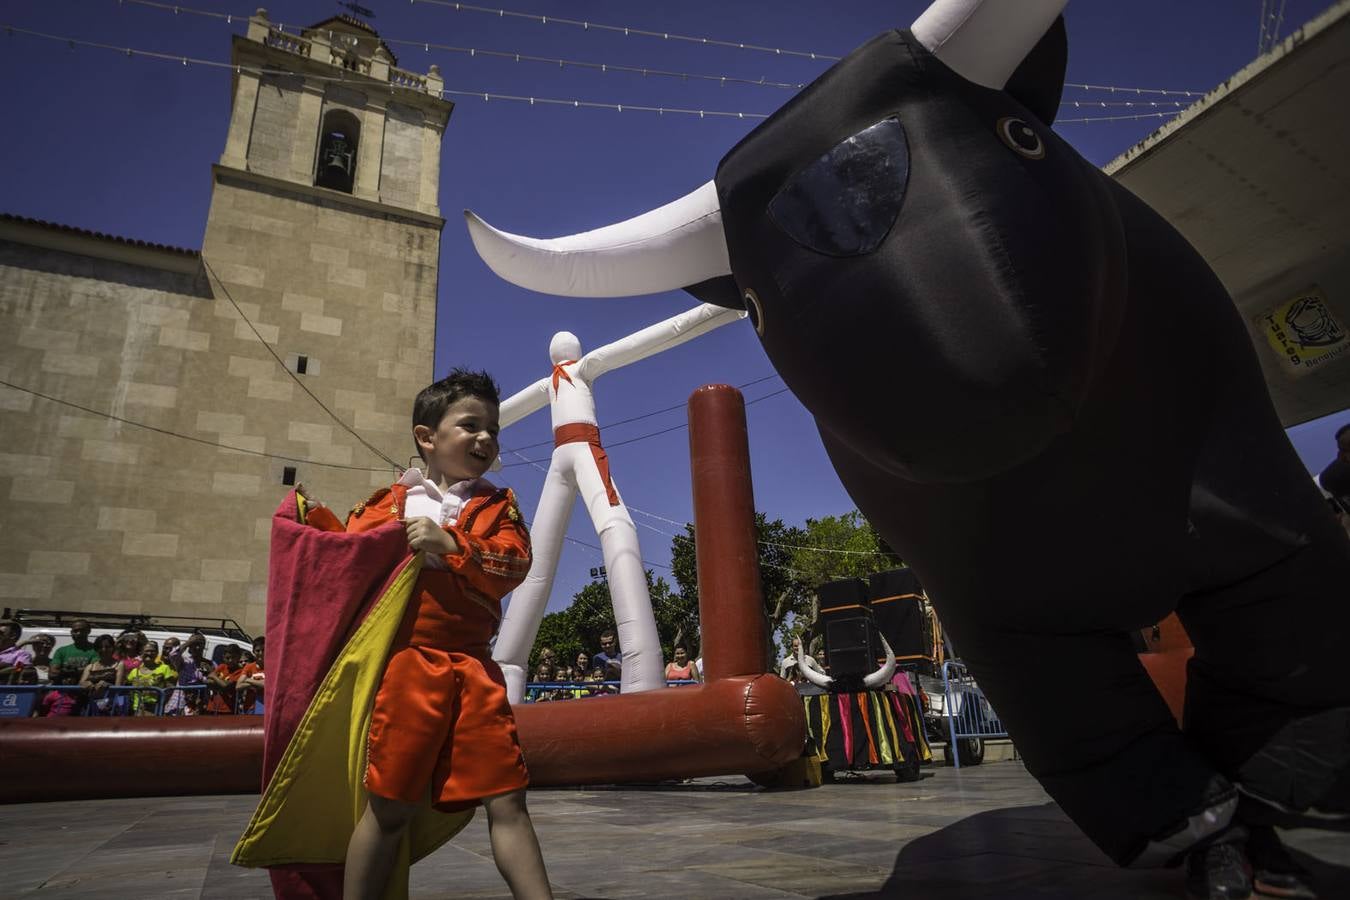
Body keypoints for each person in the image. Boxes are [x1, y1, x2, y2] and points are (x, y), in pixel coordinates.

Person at [126, 641, 176, 715]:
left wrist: (162, 703)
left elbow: (170, 688)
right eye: (147, 651)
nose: (149, 653)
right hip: (138, 709)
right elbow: (127, 688)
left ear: (157, 653)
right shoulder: (134, 671)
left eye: (152, 651)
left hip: (156, 709)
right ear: (141, 653)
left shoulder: (164, 668)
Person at [79, 634, 123, 715]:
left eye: (107, 647)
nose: (104, 649)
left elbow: (118, 687)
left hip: (110, 706)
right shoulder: (90, 666)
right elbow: (81, 683)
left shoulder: (119, 665)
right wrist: (86, 684)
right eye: (100, 647)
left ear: (113, 648)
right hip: (90, 705)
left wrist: (107, 685)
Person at [206, 644, 248, 714]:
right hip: (213, 706)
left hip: (227, 708)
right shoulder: (222, 667)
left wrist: (214, 677)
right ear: (223, 657)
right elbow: (208, 681)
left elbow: (226, 685)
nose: (230, 660)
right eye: (228, 658)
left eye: (233, 657)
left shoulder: (240, 671)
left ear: (238, 657)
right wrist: (220, 685)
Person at [235, 637, 265, 714]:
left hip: (265, 705)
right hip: (249, 706)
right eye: (258, 651)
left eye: (263, 650)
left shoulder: (272, 666)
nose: (261, 653)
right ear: (253, 652)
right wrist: (257, 683)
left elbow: (266, 684)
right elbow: (238, 685)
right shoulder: (249, 667)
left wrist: (248, 680)